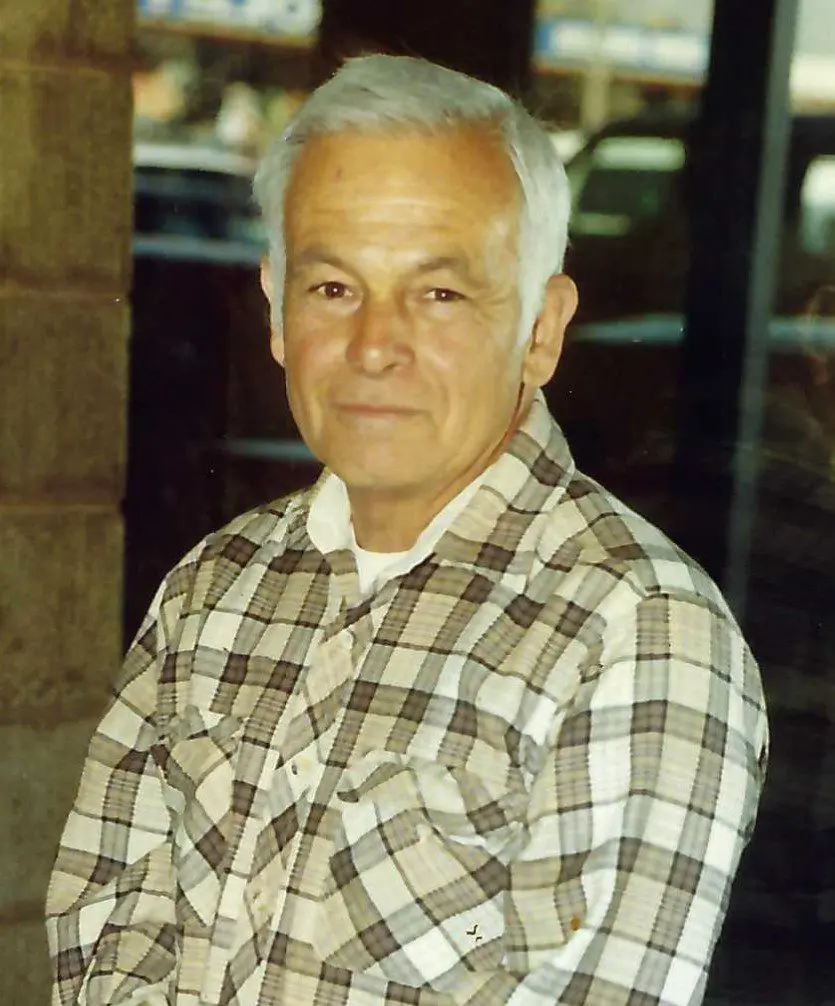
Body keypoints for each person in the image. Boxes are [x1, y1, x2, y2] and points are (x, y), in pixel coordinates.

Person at [46, 55, 768, 1006]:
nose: (374, 346)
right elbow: (99, 945)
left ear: (541, 330)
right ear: (273, 309)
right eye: (333, 288)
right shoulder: (213, 589)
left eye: (439, 294)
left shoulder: (635, 632)